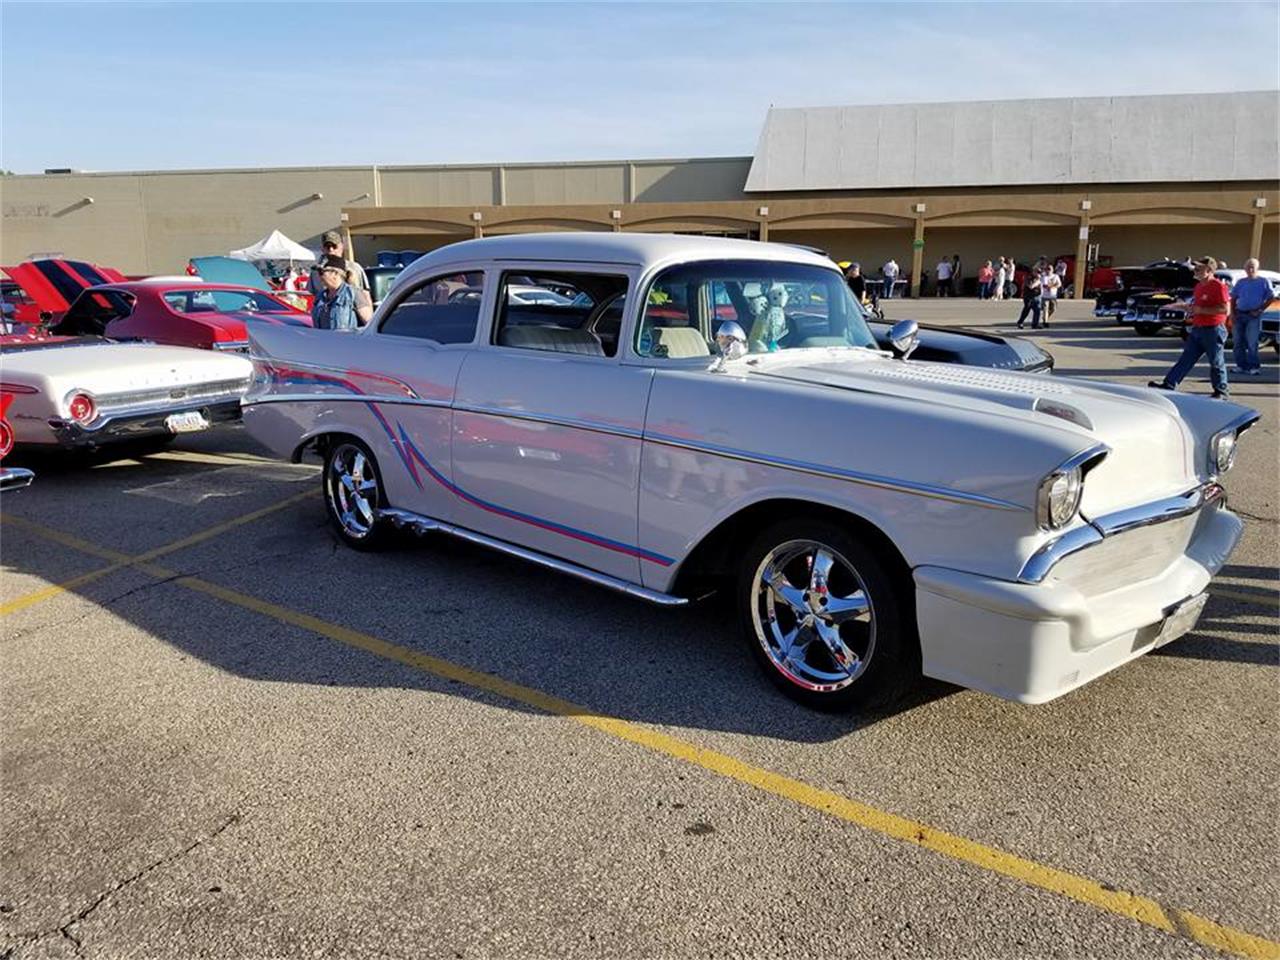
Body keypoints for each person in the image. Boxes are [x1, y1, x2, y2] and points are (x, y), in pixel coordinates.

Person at [1149, 257, 1230, 399]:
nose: (1195, 270)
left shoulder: (1218, 286)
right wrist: (1183, 306)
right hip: (1198, 328)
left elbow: (1225, 310)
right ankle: (1169, 384)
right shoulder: (1198, 286)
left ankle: (1221, 391)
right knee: (1186, 359)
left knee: (1216, 362)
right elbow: (1196, 307)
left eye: (1199, 268)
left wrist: (1201, 310)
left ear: (1209, 270)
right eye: (1195, 267)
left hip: (1213, 329)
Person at [1230, 258, 1270, 376]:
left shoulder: (1263, 282)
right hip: (1239, 313)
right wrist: (1232, 313)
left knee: (1252, 342)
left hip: (1253, 316)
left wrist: (1260, 310)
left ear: (1257, 268)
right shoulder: (1241, 282)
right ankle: (1241, 365)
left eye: (1252, 267)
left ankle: (1254, 366)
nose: (1250, 269)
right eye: (1248, 267)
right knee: (1237, 342)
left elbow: (1271, 297)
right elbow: (1233, 298)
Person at [311, 254, 372, 330]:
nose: (319, 276)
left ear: (335, 273)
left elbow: (370, 324)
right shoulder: (320, 297)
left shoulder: (353, 294)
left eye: (321, 272)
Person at [309, 230, 369, 295]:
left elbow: (365, 293)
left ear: (342, 247)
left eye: (334, 246)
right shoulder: (316, 272)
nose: (331, 249)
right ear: (322, 249)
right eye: (327, 246)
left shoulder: (355, 268)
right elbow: (311, 294)